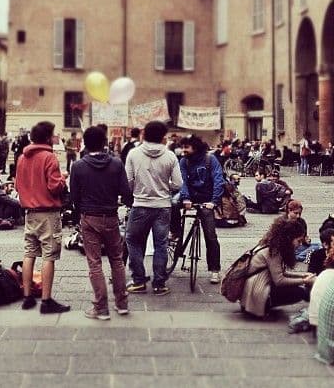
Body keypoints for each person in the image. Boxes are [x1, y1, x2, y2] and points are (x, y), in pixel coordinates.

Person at [70, 125, 133, 320]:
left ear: (85, 144)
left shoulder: (78, 166)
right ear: (104, 143)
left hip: (89, 217)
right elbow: (126, 192)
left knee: (94, 263)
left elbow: (74, 196)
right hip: (111, 217)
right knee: (117, 260)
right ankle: (122, 304)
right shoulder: (116, 164)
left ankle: (101, 307)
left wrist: (80, 213)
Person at [15, 120, 70, 314]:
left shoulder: (22, 158)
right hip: (48, 213)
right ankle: (46, 301)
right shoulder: (49, 157)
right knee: (49, 255)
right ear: (47, 137)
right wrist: (63, 178)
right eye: (53, 134)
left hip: (30, 213)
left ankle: (27, 297)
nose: (55, 138)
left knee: (29, 252)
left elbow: (16, 186)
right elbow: (55, 187)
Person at [125, 120, 183, 296]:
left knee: (133, 241)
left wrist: (137, 190)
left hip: (140, 204)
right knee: (161, 244)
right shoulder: (170, 156)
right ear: (162, 137)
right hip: (163, 206)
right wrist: (165, 188)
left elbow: (127, 181)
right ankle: (159, 284)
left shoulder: (133, 154)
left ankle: (139, 281)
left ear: (144, 134)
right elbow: (178, 183)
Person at [240, 218, 314, 318]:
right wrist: (304, 281)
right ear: (289, 238)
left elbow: (281, 272)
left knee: (301, 290)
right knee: (299, 292)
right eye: (298, 241)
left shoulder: (271, 245)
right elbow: (279, 280)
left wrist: (302, 275)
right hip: (257, 293)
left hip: (253, 291)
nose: (300, 244)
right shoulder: (274, 252)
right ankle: (266, 303)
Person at [178, 135, 224, 284]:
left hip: (207, 200)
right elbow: (182, 180)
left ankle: (215, 270)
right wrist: (185, 198)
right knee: (170, 205)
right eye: (183, 147)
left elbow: (218, 180)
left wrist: (214, 201)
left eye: (186, 147)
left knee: (210, 236)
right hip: (189, 198)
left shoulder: (210, 159)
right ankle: (174, 234)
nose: (183, 150)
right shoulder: (184, 161)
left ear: (195, 148)